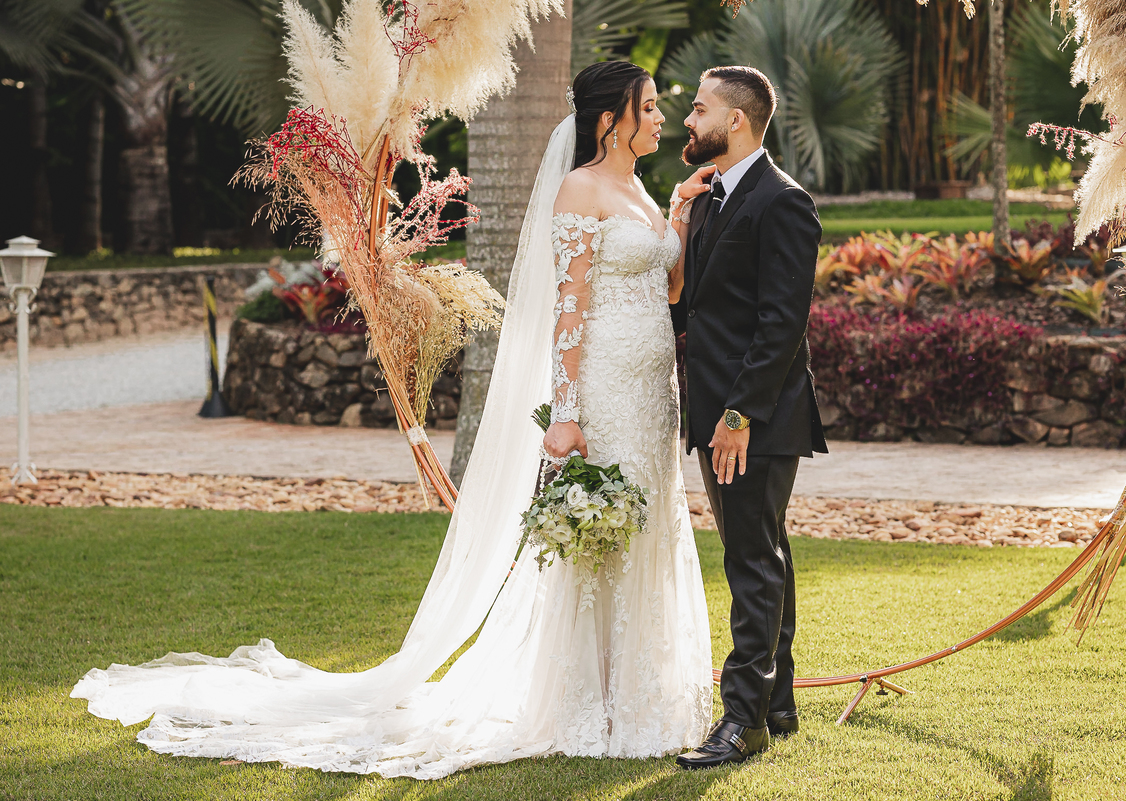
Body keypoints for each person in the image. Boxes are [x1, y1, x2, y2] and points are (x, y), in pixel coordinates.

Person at [70, 61, 717, 780]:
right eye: (651, 107)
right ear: (610, 120)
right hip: (600, 389)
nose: (663, 118)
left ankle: (640, 694)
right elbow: (567, 312)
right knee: (602, 541)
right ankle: (591, 703)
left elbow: (669, 285)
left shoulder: (640, 192)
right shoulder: (579, 190)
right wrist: (564, 415)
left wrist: (680, 211)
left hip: (652, 393)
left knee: (647, 525)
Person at [670, 66, 827, 769]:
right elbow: (689, 308)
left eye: (698, 109)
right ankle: (779, 700)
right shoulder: (708, 197)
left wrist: (738, 414)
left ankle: (742, 722)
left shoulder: (784, 201)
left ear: (735, 120)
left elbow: (782, 322)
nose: (687, 120)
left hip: (753, 417)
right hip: (714, 412)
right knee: (762, 548)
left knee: (750, 559)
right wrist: (677, 219)